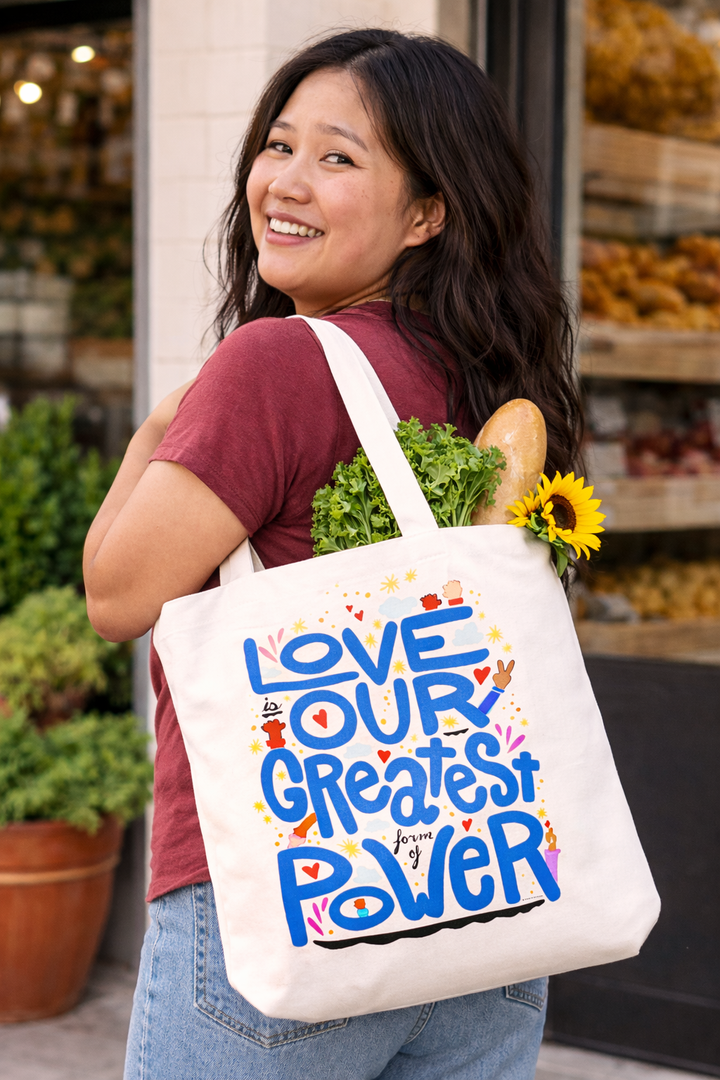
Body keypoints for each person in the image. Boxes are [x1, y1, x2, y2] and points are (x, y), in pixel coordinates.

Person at [84, 28, 581, 1080]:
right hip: (485, 897)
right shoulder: (490, 383)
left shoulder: (272, 364)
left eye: (337, 156)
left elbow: (115, 595)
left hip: (291, 895)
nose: (286, 181)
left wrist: (159, 426)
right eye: (279, 144)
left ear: (428, 214)